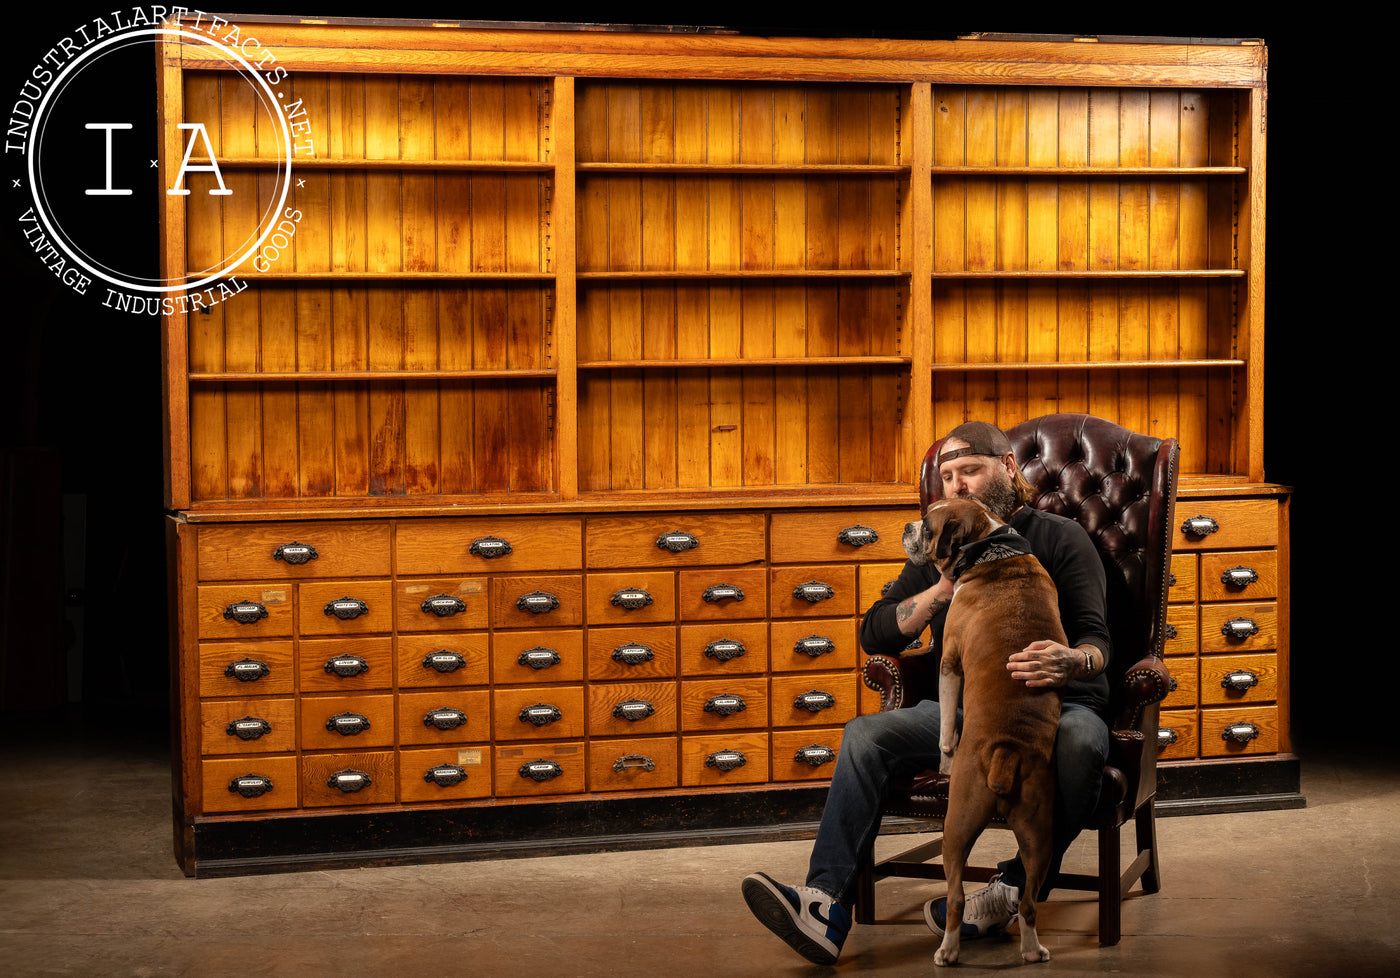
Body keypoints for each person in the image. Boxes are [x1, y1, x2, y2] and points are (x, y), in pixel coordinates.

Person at [741, 421, 1112, 965]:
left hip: (1056, 706)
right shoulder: (943, 541)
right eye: (946, 476)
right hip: (959, 709)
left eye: (970, 470)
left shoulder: (1058, 537)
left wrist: (1073, 661)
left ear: (1007, 468)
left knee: (1082, 743)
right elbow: (874, 632)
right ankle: (824, 905)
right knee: (865, 735)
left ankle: (1011, 891)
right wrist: (942, 588)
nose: (957, 485)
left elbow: (1097, 638)